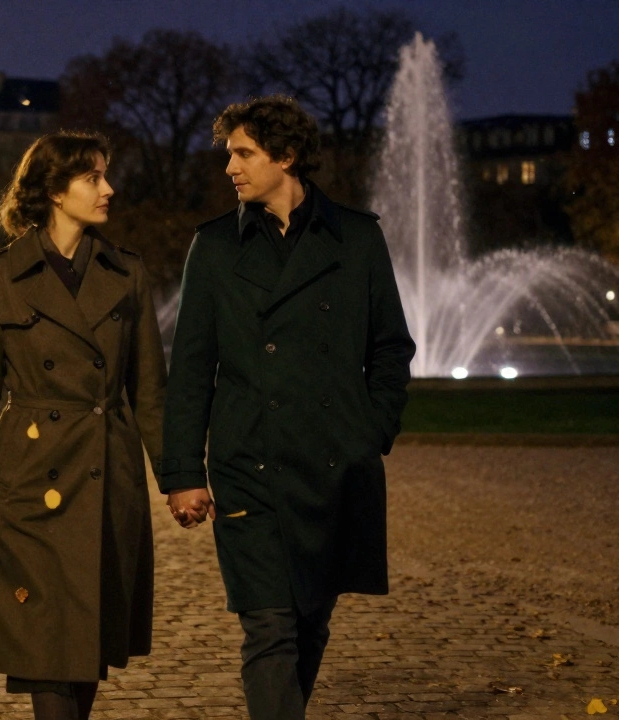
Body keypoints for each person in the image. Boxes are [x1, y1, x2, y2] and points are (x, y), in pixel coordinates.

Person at [160, 95, 416, 719]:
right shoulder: (216, 247)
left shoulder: (356, 238)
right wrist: (184, 473)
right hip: (251, 462)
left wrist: (371, 430)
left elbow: (390, 346)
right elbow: (192, 366)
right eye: (230, 155)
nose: (231, 168)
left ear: (287, 155)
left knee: (309, 623)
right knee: (269, 628)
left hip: (334, 464)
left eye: (244, 153)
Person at [0, 131, 166, 720]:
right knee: (45, 643)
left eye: (105, 175)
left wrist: (180, 478)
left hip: (105, 476)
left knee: (87, 642)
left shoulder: (126, 274)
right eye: (93, 177)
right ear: (54, 189)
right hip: (28, 483)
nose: (108, 188)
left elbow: (149, 392)